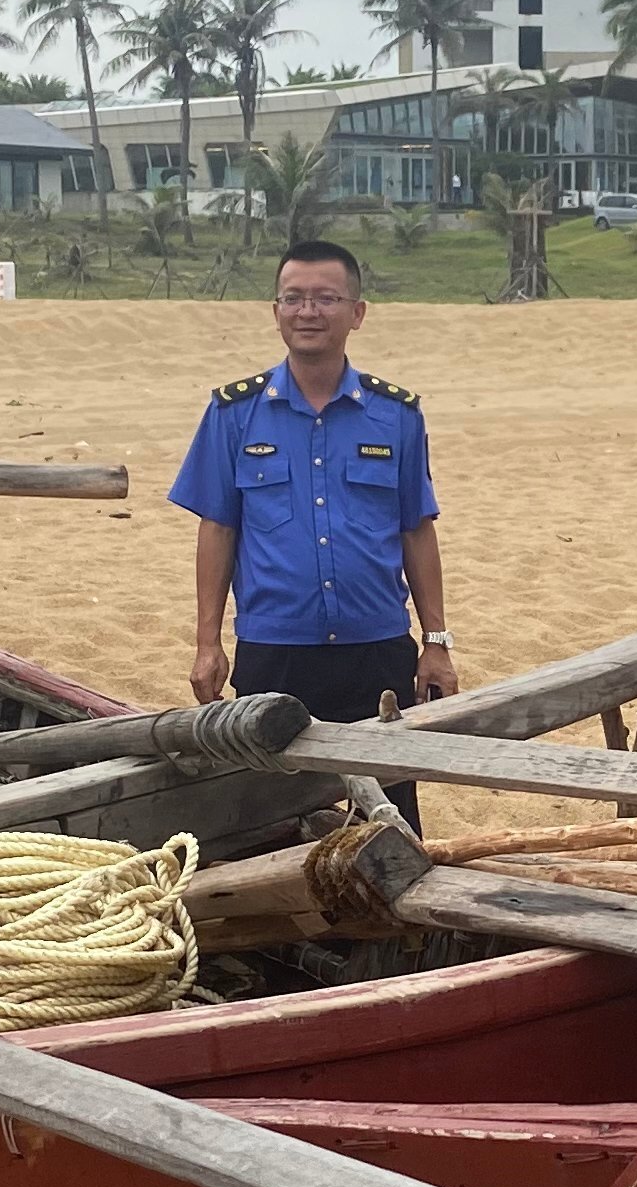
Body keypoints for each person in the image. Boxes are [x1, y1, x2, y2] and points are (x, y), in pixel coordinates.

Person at [171, 237, 454, 820]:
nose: (308, 312)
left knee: (389, 810)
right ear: (275, 312)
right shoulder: (233, 414)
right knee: (268, 810)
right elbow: (217, 529)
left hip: (375, 649)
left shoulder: (396, 415)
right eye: (293, 298)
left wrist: (435, 642)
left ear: (357, 312)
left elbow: (416, 530)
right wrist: (207, 644)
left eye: (325, 299)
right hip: (275, 649)